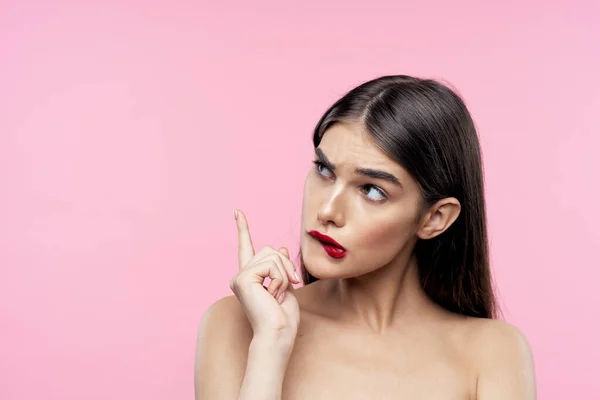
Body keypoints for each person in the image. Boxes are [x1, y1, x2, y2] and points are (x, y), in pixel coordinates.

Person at [194, 75, 536, 399]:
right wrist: (272, 343)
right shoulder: (238, 326)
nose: (327, 210)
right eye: (325, 170)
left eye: (372, 191)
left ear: (434, 218)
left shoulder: (491, 353)